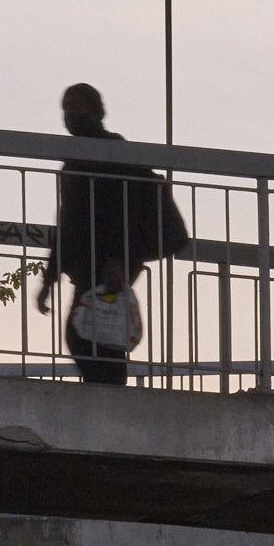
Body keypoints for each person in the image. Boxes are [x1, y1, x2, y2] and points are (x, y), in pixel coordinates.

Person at [42, 81, 187, 384]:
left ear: (97, 112)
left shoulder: (113, 154)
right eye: (66, 108)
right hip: (93, 265)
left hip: (110, 265)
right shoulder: (77, 158)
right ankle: (110, 395)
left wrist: (119, 258)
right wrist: (49, 278)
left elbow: (124, 211)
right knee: (95, 333)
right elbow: (68, 222)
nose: (70, 114)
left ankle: (111, 398)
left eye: (76, 106)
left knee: (93, 334)